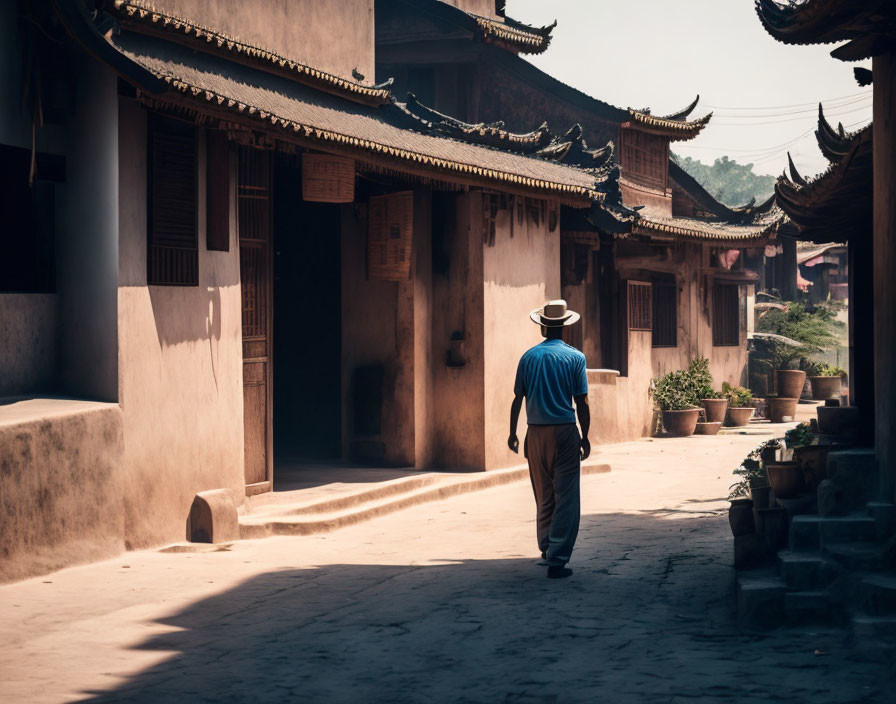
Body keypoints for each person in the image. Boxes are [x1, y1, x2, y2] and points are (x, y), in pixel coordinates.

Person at [508, 299, 590, 579]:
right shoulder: (575, 358)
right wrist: (586, 436)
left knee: (543, 495)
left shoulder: (528, 357)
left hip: (535, 432)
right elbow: (582, 402)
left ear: (543, 326)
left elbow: (518, 398)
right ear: (564, 326)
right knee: (566, 496)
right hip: (565, 431)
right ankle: (558, 559)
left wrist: (513, 434)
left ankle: (546, 546)